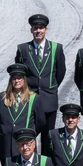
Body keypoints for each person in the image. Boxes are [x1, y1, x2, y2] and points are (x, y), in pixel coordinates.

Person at [14, 13, 66, 152]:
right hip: (29, 98)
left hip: (49, 99)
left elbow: (60, 72)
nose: (38, 31)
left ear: (46, 30)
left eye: (41, 28)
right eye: (35, 28)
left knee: (47, 136)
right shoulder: (23, 49)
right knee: (29, 135)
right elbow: (18, 73)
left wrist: (50, 86)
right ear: (31, 30)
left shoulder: (56, 48)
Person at [0, 63, 38, 163]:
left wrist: (28, 133)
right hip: (6, 144)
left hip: (25, 144)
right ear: (10, 80)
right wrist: (5, 130)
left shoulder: (34, 98)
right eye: (14, 78)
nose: (17, 81)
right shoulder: (1, 98)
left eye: (20, 78)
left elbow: (39, 121)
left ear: (24, 80)